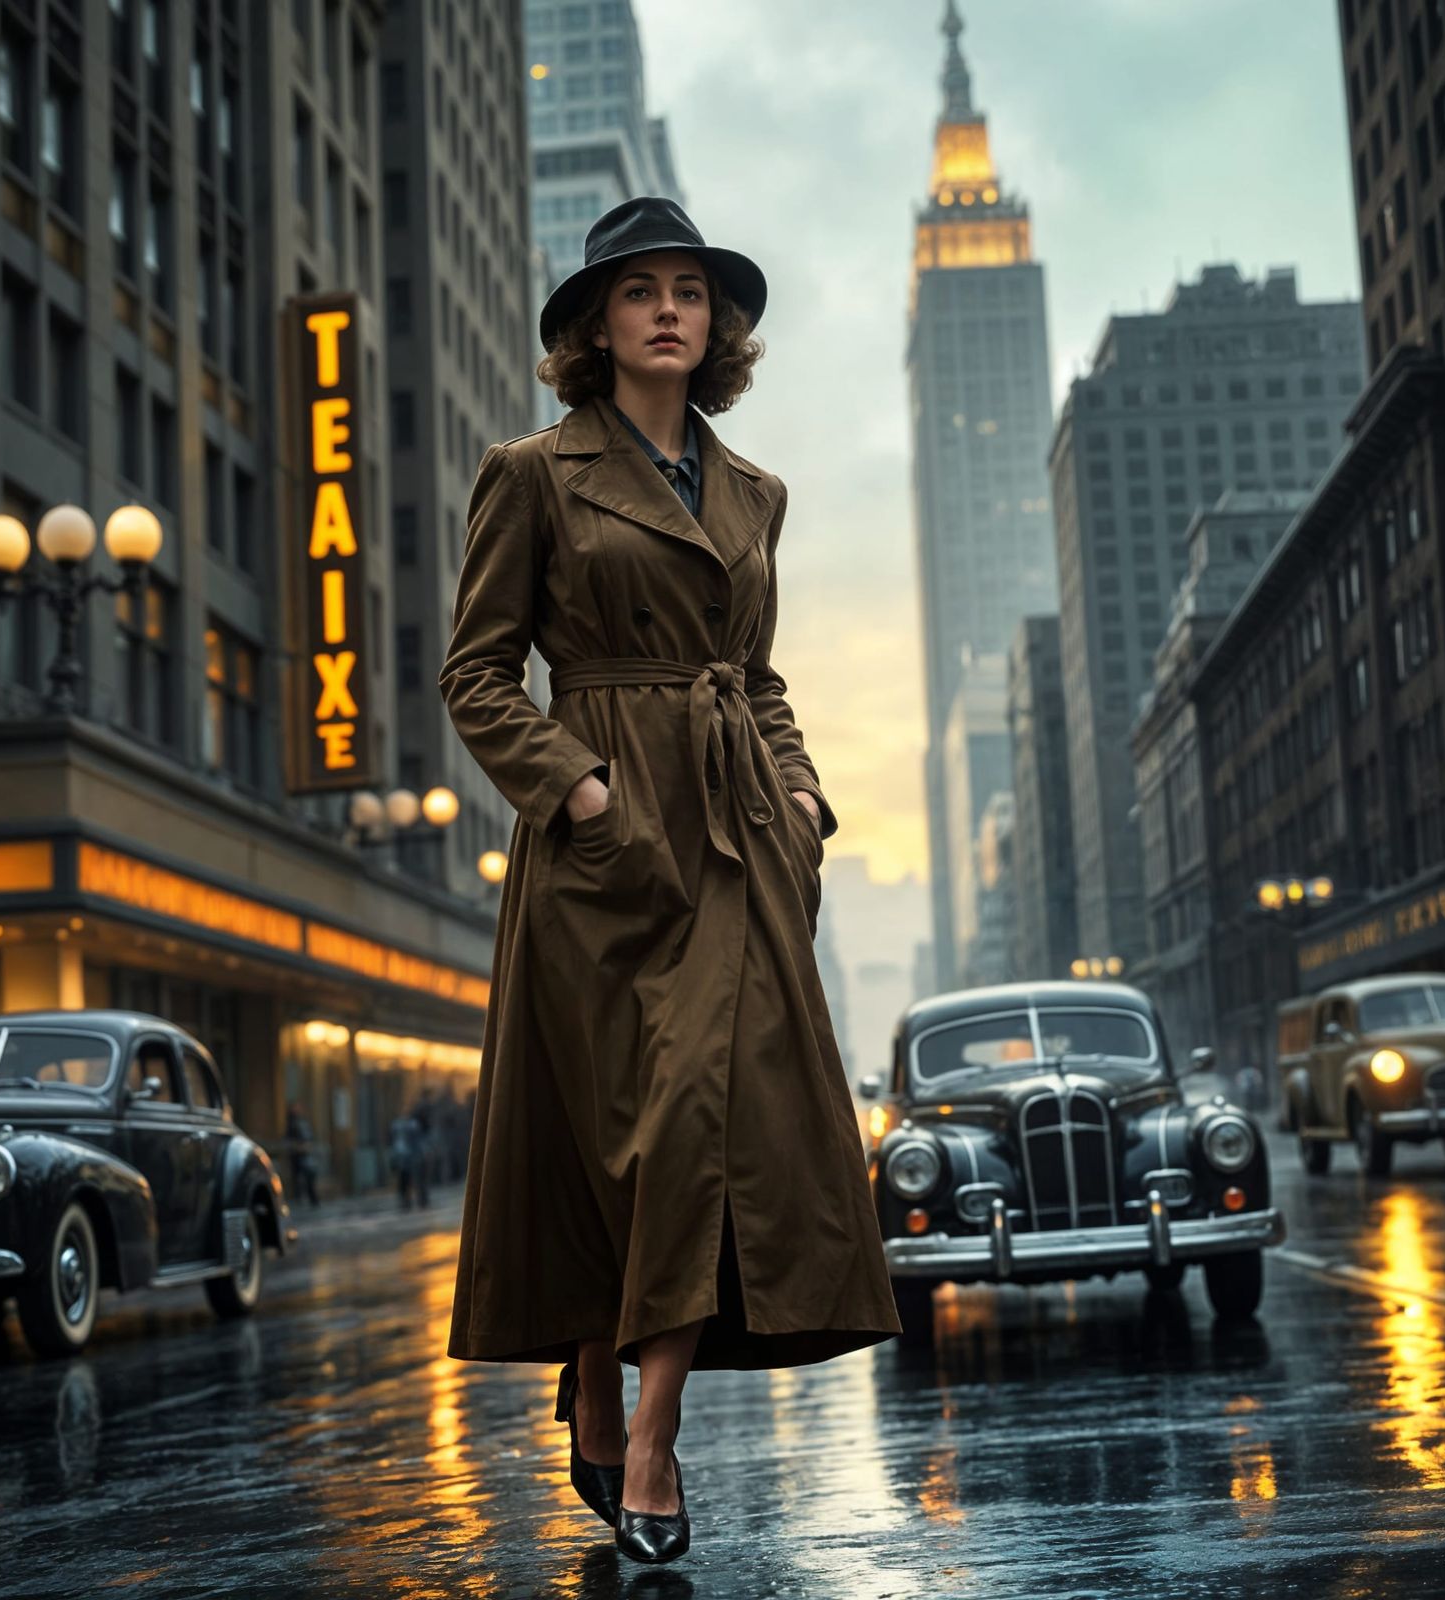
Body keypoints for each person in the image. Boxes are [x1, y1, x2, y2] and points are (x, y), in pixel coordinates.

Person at [437, 195, 901, 1566]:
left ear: (716, 325)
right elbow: (475, 672)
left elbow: (754, 677)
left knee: (714, 1126)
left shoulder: (756, 492)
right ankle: (592, 1372)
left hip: (743, 837)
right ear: (596, 325)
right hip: (603, 846)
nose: (667, 310)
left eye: (691, 291)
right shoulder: (530, 471)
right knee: (620, 1143)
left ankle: (647, 1439)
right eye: (639, 290)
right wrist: (579, 791)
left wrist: (805, 796)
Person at [284, 1102, 319, 1209]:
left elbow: (311, 1136)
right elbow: (288, 1140)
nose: (298, 1109)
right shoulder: (291, 1123)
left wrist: (309, 1146)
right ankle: (299, 1199)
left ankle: (313, 1200)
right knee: (298, 1178)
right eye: (295, 1107)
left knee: (310, 1177)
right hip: (298, 1155)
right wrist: (298, 1147)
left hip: (308, 1154)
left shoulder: (303, 1121)